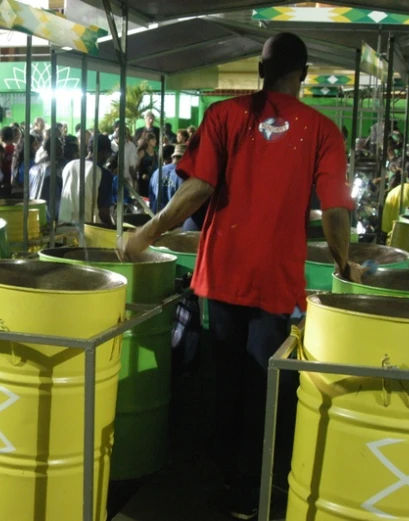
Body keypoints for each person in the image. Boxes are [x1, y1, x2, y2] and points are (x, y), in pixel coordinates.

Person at [122, 33, 358, 520]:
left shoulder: (224, 116)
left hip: (223, 272)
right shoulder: (323, 130)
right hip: (277, 278)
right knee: (265, 384)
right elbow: (335, 210)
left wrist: (147, 231)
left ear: (260, 71)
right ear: (305, 73)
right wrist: (342, 262)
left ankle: (220, 480)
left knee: (227, 377)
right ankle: (253, 489)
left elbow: (198, 188)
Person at [59, 134, 114, 225]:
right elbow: (103, 212)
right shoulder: (103, 173)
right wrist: (113, 228)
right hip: (88, 229)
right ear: (104, 152)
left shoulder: (70, 165)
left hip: (63, 225)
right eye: (108, 154)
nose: (108, 157)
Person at [29, 132, 65, 223]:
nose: (62, 149)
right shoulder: (57, 169)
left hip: (33, 210)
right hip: (51, 212)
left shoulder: (34, 167)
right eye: (59, 146)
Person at [149, 144, 186, 213]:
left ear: (173, 157)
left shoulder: (156, 172)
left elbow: (152, 198)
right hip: (173, 218)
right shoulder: (183, 175)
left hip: (156, 216)